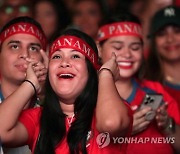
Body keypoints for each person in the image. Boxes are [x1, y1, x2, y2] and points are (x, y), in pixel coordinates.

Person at [0, 28, 132, 153]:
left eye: (75, 56)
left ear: (91, 71)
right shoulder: (37, 118)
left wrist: (105, 74)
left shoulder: (115, 108)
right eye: (57, 56)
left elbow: (111, 123)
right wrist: (31, 83)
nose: (64, 63)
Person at [97, 12, 180, 154]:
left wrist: (167, 124)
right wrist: (122, 132)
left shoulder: (155, 90)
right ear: (99, 49)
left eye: (135, 48)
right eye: (117, 47)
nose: (127, 54)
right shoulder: (86, 94)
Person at [0, 16, 48, 154]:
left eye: (33, 48)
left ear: (44, 59)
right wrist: (30, 84)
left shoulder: (56, 108)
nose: (24, 54)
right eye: (15, 46)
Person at [145, 5, 180, 113]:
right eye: (162, 33)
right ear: (153, 41)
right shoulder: (150, 88)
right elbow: (146, 121)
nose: (170, 39)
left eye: (177, 31)